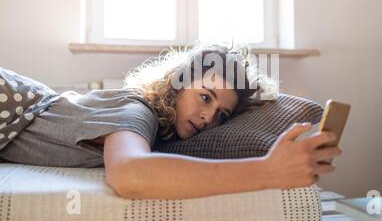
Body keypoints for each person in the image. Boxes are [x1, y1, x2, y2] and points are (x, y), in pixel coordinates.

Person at [0, 43, 342, 200]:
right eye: (204, 97)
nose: (209, 117)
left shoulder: (156, 125)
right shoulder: (138, 111)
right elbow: (130, 174)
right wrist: (267, 171)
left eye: (221, 114)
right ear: (178, 85)